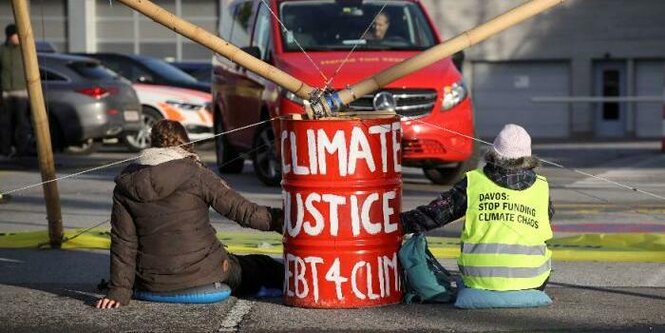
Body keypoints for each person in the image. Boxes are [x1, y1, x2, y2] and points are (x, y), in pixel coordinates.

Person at [96, 120, 284, 309]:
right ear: (185, 144)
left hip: (152, 282)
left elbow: (123, 242)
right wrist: (281, 220)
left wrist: (118, 291)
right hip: (205, 273)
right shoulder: (196, 172)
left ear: (153, 144)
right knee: (261, 265)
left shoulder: (127, 183)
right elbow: (243, 211)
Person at [400, 124, 554, 292]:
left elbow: (435, 214)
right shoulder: (541, 187)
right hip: (532, 281)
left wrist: (398, 222)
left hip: (479, 281)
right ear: (529, 158)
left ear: (494, 154)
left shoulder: (474, 182)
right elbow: (545, 222)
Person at [0, 23, 31, 157]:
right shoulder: (2, 50)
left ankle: (22, 150)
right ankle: (5, 150)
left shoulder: (24, 50)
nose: (17, 37)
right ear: (9, 36)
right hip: (6, 93)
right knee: (5, 124)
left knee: (22, 123)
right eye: (14, 35)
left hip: (22, 93)